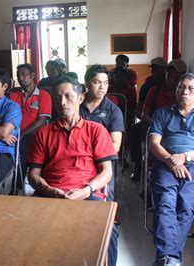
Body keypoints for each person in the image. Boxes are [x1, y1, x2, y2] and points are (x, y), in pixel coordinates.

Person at [26, 76, 119, 266]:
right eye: (57, 97)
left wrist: (86, 190)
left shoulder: (96, 130)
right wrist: (48, 190)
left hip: (86, 194)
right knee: (23, 228)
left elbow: (106, 172)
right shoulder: (43, 133)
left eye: (68, 96)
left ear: (80, 98)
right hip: (49, 194)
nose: (62, 102)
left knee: (109, 233)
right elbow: (33, 174)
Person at [148, 73, 194, 265]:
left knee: (185, 206)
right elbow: (153, 143)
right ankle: (170, 258)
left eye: (190, 88)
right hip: (165, 164)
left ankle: (166, 257)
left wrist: (185, 157)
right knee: (165, 203)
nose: (184, 92)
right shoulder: (162, 113)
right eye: (181, 87)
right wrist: (171, 161)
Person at [80, 64, 125, 201]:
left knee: (106, 190)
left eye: (105, 83)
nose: (102, 87)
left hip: (102, 158)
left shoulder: (113, 111)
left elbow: (115, 146)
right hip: (75, 155)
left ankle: (109, 216)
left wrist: (91, 154)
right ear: (87, 83)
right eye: (97, 82)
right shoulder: (76, 103)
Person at [10, 64, 52, 191]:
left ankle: (18, 186)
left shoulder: (44, 95)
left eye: (24, 74)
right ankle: (14, 187)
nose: (21, 78)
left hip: (34, 135)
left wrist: (21, 134)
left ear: (33, 75)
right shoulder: (13, 95)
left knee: (22, 148)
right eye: (18, 76)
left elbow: (41, 120)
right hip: (13, 133)